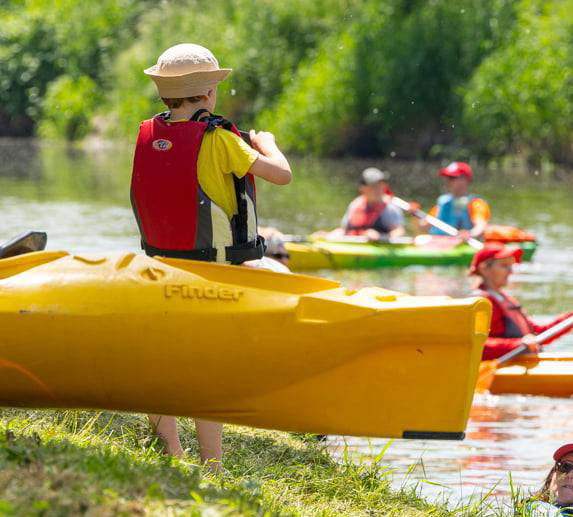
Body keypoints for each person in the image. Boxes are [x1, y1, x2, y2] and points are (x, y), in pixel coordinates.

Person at [130, 43, 293, 470]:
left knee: (163, 362)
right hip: (212, 273)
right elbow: (281, 175)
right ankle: (212, 463)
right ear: (209, 94)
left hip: (159, 266)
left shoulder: (149, 133)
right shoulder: (220, 139)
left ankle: (169, 451)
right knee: (209, 368)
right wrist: (267, 143)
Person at [471, 243, 573, 360]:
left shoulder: (505, 299)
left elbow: (538, 335)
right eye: (504, 266)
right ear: (484, 268)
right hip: (500, 369)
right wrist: (517, 345)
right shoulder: (481, 303)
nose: (511, 271)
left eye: (511, 266)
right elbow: (474, 344)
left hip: (521, 364)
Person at [324, 167, 405, 240]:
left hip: (380, 247)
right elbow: (344, 230)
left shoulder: (389, 208)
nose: (379, 189)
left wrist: (380, 237)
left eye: (381, 185)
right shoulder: (355, 204)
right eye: (374, 186)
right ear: (363, 188)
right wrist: (327, 236)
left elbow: (399, 232)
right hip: (355, 246)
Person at [417, 162, 490, 239]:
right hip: (439, 243)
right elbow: (423, 227)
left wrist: (470, 234)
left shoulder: (476, 203)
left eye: (452, 178)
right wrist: (415, 213)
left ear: (465, 180)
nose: (447, 181)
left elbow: (480, 227)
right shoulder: (444, 202)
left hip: (463, 244)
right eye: (447, 178)